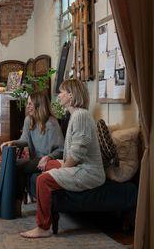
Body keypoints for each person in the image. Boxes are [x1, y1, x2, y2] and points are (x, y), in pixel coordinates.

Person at [20, 79, 106, 238]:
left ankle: (43, 228)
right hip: (78, 165)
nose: (59, 96)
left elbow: (77, 153)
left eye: (62, 92)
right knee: (46, 166)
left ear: (71, 96)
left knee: (42, 180)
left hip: (88, 172)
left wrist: (62, 169)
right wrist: (55, 164)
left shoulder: (80, 116)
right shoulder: (75, 115)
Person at [0, 92, 64, 215]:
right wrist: (12, 142)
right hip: (35, 161)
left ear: (39, 105)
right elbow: (24, 140)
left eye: (30, 103)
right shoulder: (28, 120)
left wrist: (48, 157)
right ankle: (14, 204)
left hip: (49, 160)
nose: (28, 106)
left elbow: (61, 149)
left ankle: (16, 205)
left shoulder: (52, 123)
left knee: (18, 166)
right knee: (17, 165)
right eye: (27, 103)